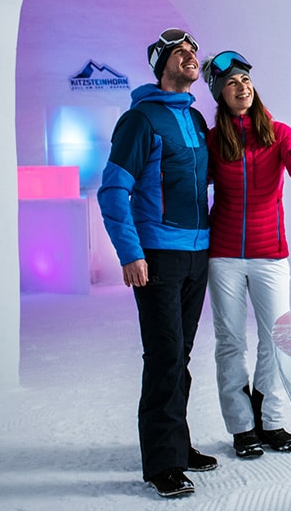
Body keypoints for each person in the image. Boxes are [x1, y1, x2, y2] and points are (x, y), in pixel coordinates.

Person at [98, 28, 218, 498]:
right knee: (165, 355)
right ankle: (162, 463)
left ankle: (178, 445)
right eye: (180, 51)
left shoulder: (196, 119)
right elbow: (113, 190)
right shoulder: (140, 120)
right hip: (159, 255)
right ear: (161, 65)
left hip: (197, 253)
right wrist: (131, 253)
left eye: (193, 51)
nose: (191, 55)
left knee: (180, 354)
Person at [201, 50, 291, 459]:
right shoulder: (214, 140)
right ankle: (242, 426)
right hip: (224, 255)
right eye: (232, 83)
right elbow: (194, 184)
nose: (242, 87)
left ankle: (271, 420)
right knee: (231, 342)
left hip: (270, 253)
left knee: (278, 338)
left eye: (246, 80)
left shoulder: (279, 133)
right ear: (220, 94)